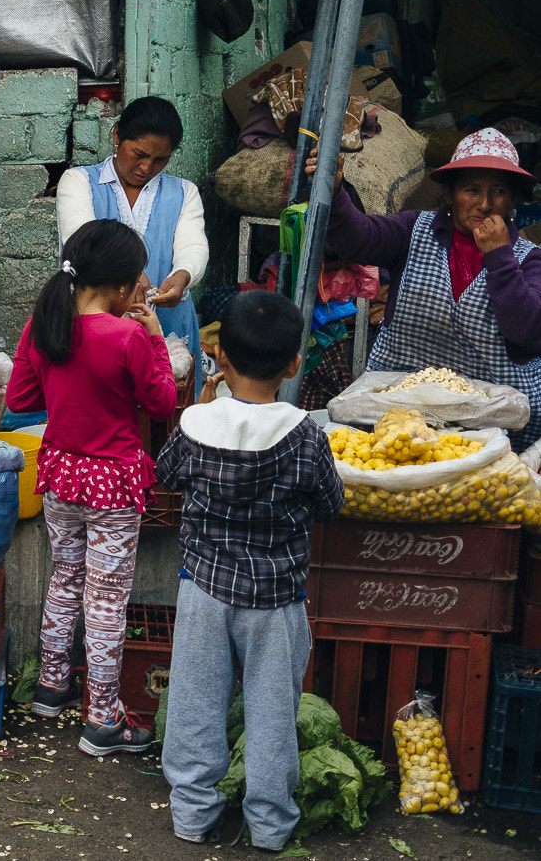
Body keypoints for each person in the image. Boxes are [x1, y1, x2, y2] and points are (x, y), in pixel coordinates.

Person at [156, 290, 343, 851]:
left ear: (220, 359)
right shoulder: (306, 434)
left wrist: (206, 404)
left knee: (194, 704)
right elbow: (330, 503)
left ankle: (191, 815)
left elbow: (166, 475)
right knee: (272, 712)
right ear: (293, 364)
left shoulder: (195, 424)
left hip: (204, 590)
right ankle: (269, 826)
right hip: (277, 598)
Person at [4, 219, 178, 756]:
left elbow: (20, 396)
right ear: (123, 290)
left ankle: (51, 689)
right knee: (106, 599)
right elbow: (162, 403)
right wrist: (154, 339)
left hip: (60, 473)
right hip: (113, 482)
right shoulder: (127, 335)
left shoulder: (43, 323)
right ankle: (103, 719)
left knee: (64, 579)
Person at [307, 127, 541, 450]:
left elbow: (527, 333)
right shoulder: (413, 231)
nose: (485, 204)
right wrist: (334, 194)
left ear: (513, 199)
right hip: (401, 417)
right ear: (449, 194)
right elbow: (358, 237)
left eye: (499, 191)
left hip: (492, 428)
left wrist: (499, 256)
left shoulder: (527, 259)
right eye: (471, 190)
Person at [56, 96, 208, 367]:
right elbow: (83, 236)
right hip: (97, 329)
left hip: (169, 329)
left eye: (161, 159)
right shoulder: (78, 182)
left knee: (170, 403)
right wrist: (131, 272)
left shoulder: (184, 193)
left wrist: (181, 278)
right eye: (139, 154)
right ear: (117, 135)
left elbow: (193, 248)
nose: (147, 168)